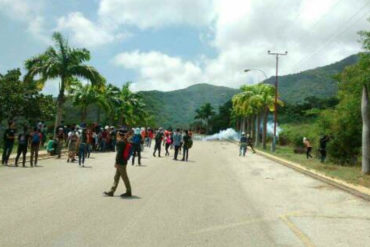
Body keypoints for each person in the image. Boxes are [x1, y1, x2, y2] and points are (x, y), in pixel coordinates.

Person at [104, 129, 132, 197]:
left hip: (120, 163)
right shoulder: (125, 141)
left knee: (124, 177)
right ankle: (111, 191)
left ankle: (128, 191)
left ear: (119, 134)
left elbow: (119, 154)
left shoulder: (121, 142)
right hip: (123, 162)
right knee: (116, 177)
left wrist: (116, 162)